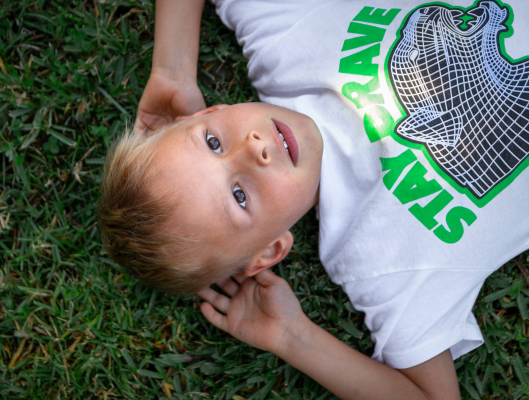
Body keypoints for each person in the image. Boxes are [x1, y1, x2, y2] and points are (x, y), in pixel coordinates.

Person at [98, 0, 529, 398]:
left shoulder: (282, 41)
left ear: (208, 111)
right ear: (270, 250)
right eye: (239, 195)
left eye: (212, 142)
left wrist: (172, 70)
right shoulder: (378, 261)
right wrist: (292, 336)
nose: (253, 147)